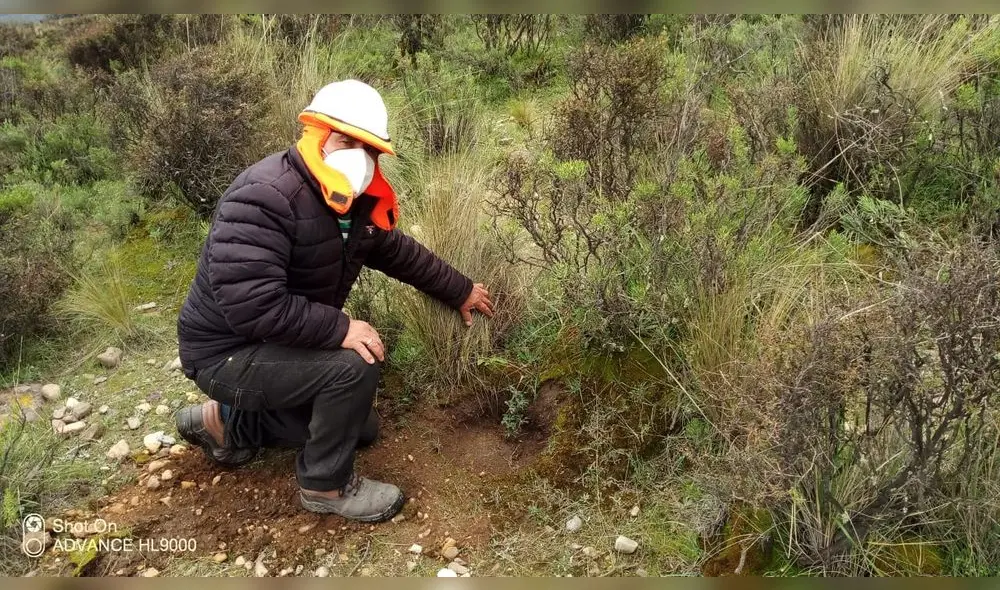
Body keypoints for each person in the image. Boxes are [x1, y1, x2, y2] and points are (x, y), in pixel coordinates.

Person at [172, 79, 495, 523]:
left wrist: (461, 290)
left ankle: (227, 422)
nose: (360, 159)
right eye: (347, 141)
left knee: (362, 428)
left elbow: (397, 252)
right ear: (317, 135)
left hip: (275, 341)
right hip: (226, 353)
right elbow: (253, 307)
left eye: (371, 149)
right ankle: (326, 485)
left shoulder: (350, 202)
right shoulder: (264, 195)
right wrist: (342, 328)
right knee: (353, 365)